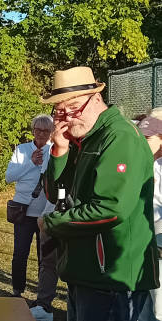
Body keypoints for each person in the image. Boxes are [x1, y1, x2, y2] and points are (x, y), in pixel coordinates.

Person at [38, 66, 158, 320]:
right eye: (60, 111)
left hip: (114, 278)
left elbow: (111, 209)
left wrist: (50, 223)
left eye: (73, 108)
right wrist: (60, 150)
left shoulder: (119, 137)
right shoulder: (85, 139)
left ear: (96, 99)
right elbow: (57, 196)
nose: (67, 118)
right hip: (84, 273)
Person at [5, 115, 58, 321]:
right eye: (38, 129)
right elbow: (10, 177)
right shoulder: (22, 149)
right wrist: (31, 163)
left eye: (46, 131)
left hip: (45, 211)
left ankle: (41, 298)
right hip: (23, 210)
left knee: (44, 258)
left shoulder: (56, 150)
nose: (41, 134)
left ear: (52, 132)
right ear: (33, 129)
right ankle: (17, 290)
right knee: (20, 253)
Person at [137, 110, 162, 320]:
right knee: (143, 300)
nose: (142, 143)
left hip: (157, 239)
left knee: (158, 304)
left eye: (148, 138)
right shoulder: (144, 163)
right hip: (143, 238)